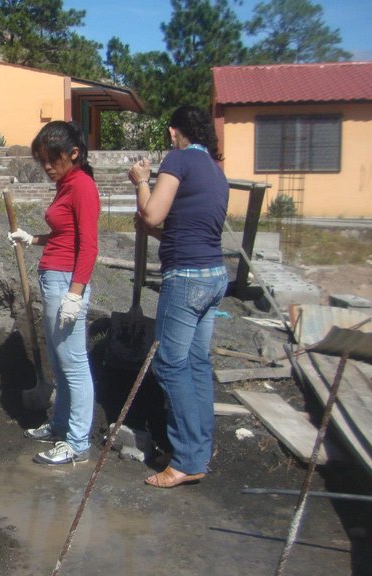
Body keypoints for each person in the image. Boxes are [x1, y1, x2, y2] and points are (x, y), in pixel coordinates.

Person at [127, 105, 229, 489]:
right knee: (197, 364)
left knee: (170, 364)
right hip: (214, 276)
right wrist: (150, 227)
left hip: (186, 279)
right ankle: (198, 454)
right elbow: (183, 230)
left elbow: (153, 215)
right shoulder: (216, 173)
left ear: (174, 132)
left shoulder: (178, 158)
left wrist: (141, 181)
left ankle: (185, 458)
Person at [8, 121, 100, 466]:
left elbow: (88, 246)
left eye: (52, 159)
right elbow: (65, 235)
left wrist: (75, 294)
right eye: (42, 160)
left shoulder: (83, 187)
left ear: (74, 154)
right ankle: (60, 424)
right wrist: (32, 239)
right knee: (61, 364)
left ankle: (77, 442)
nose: (47, 167)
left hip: (66, 283)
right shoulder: (66, 185)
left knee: (74, 366)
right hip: (55, 278)